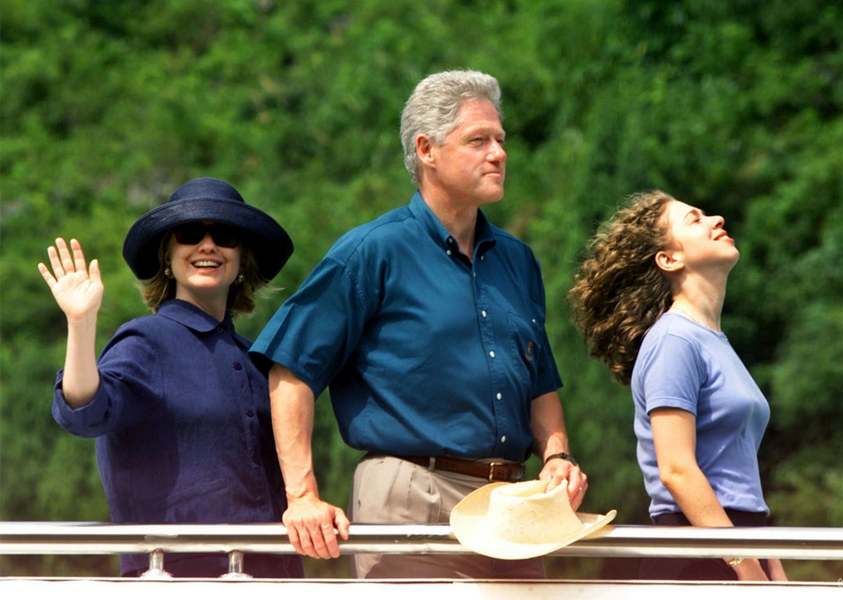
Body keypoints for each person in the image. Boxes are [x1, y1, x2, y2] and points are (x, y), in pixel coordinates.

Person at [251, 70, 587, 579]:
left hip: (515, 507)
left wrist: (557, 456)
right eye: (478, 140)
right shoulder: (373, 251)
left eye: (501, 140)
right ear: (427, 149)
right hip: (411, 496)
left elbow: (538, 383)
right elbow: (291, 371)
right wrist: (302, 497)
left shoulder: (517, 260)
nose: (498, 153)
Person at [41, 177, 303, 578]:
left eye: (226, 235)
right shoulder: (147, 340)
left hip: (271, 576)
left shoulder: (258, 360)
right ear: (167, 256)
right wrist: (81, 323)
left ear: (242, 260)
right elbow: (85, 410)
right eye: (190, 233)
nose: (208, 245)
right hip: (173, 577)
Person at [569, 190, 788, 581]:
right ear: (669, 259)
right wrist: (745, 566)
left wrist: (772, 566)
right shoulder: (674, 341)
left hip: (739, 538)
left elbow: (740, 483)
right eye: (695, 219)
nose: (716, 219)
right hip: (701, 552)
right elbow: (676, 469)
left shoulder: (712, 341)